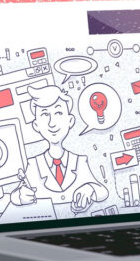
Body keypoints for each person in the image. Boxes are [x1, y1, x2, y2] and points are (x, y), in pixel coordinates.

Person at [12, 84, 108, 217]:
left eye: (58, 113)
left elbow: (103, 192)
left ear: (70, 120)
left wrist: (90, 188)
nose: (52, 123)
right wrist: (19, 197)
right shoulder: (32, 164)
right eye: (45, 114)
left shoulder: (80, 161)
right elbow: (15, 195)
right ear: (36, 125)